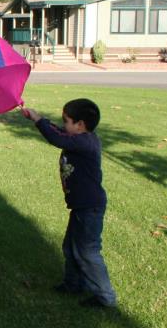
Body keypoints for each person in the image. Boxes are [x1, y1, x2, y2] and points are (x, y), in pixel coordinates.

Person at [20, 99, 117, 308]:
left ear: (80, 125)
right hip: (81, 206)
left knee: (88, 251)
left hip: (89, 206)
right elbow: (60, 133)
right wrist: (38, 118)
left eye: (66, 121)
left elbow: (57, 138)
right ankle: (73, 284)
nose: (63, 125)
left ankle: (106, 297)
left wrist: (38, 120)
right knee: (70, 247)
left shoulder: (86, 142)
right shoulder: (78, 137)